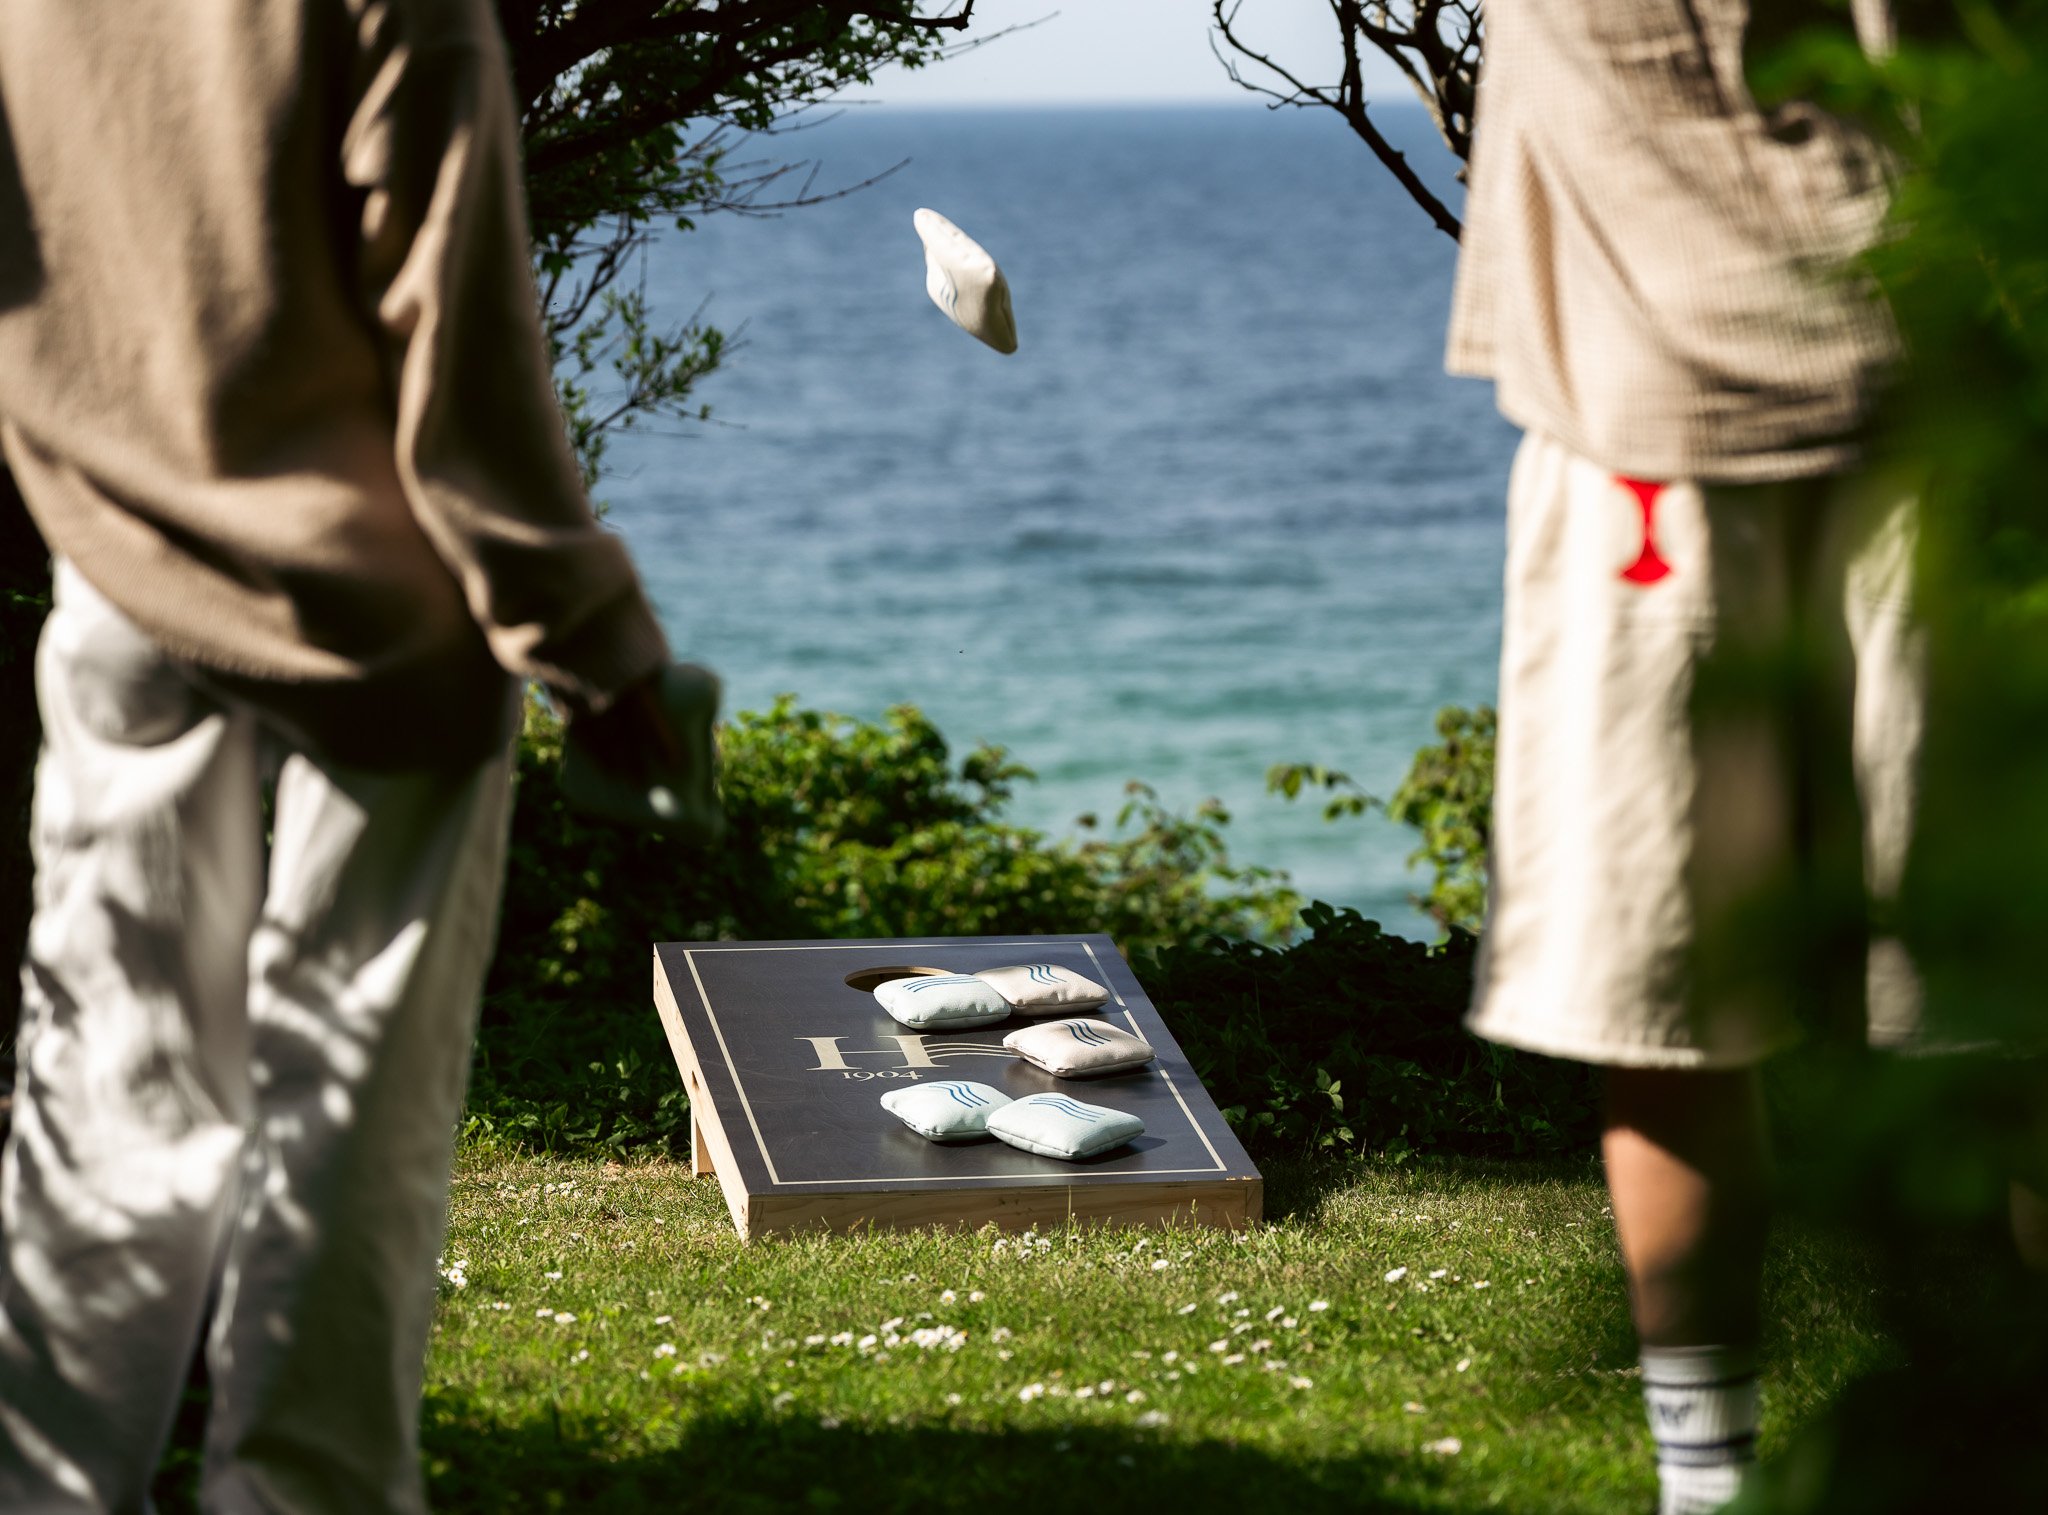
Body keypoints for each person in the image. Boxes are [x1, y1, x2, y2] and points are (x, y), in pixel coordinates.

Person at [0, 1, 714, 1508]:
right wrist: (596, 649)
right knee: (351, 1125)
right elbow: (456, 345)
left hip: (115, 570)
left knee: (105, 1089)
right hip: (380, 623)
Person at [1442, 3, 1978, 1511]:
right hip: (1891, 404)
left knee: (1671, 992)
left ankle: (1721, 1481)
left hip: (1670, 440)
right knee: (1968, 1006)